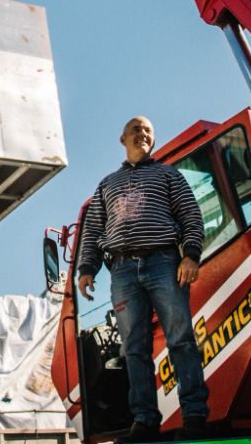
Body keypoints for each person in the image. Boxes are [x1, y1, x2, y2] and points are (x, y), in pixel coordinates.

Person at [78, 116, 209, 442]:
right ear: (123, 138)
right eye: (136, 129)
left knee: (180, 339)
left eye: (148, 130)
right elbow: (93, 230)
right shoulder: (107, 184)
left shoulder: (168, 175)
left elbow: (190, 213)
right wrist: (86, 269)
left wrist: (191, 253)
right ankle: (145, 421)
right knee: (134, 348)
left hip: (165, 262)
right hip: (122, 271)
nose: (143, 134)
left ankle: (194, 414)